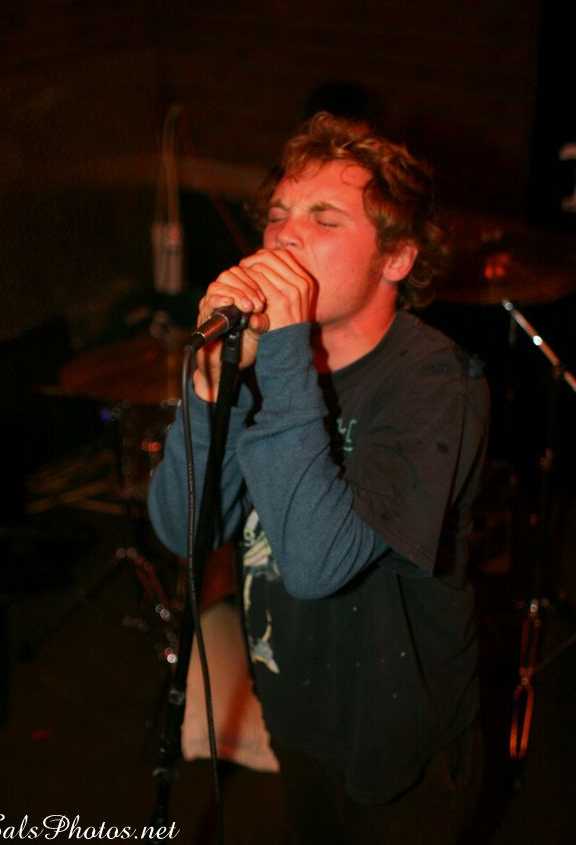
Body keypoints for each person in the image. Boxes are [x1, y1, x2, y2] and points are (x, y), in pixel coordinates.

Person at [148, 112, 490, 844]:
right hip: (297, 708)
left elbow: (315, 563)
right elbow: (183, 529)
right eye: (277, 214)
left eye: (323, 218)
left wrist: (282, 350)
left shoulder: (437, 384)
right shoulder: (268, 361)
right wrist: (209, 387)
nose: (284, 237)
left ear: (397, 257)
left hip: (400, 743)